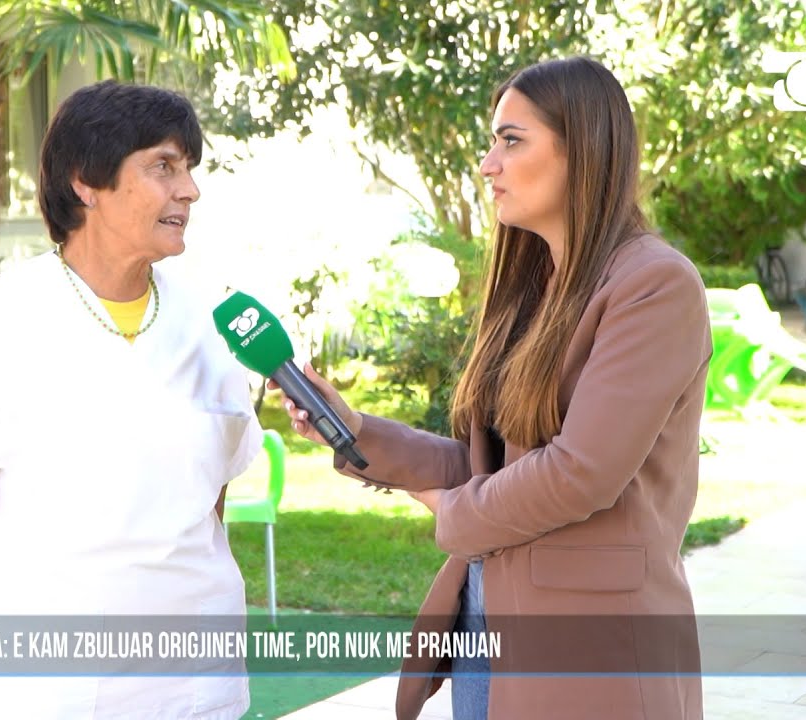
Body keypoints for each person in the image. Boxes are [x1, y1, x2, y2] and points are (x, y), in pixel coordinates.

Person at [273, 57, 709, 720]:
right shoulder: (532, 288)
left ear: (583, 149)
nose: (487, 165)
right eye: (492, 142)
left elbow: (579, 473)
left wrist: (452, 513)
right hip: (484, 625)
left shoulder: (655, 285)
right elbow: (496, 470)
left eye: (511, 141)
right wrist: (356, 431)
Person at [0, 81, 263, 719]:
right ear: (85, 182)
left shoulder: (211, 326)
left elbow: (207, 511)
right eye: (163, 167)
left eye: (188, 168)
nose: (189, 190)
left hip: (196, 693)